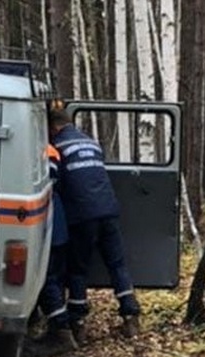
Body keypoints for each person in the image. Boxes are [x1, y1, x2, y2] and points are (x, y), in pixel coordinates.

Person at [48, 107, 141, 341]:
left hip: (82, 215)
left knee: (77, 269)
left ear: (54, 127)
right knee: (117, 264)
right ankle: (131, 317)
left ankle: (77, 321)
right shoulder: (91, 143)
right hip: (108, 210)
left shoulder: (57, 147)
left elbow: (55, 183)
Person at [28, 143, 78, 356]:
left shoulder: (45, 151)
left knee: (48, 280)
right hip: (57, 227)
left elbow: (51, 183)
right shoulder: (49, 150)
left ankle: (61, 330)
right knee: (53, 280)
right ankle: (55, 327)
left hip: (50, 229)